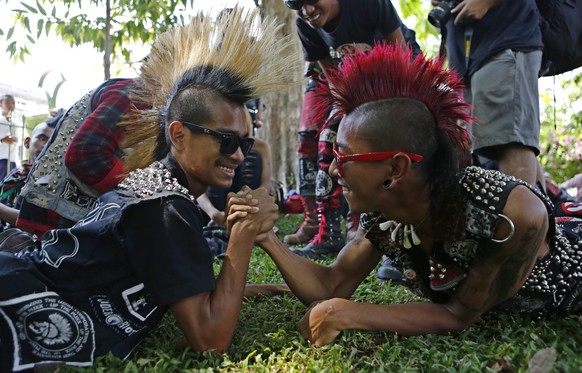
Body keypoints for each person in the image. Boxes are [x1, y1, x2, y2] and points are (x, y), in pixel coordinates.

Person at [0, 8, 298, 370]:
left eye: (244, 145)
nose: (237, 155)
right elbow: (210, 340)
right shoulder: (164, 207)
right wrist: (244, 234)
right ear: (178, 135)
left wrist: (260, 289)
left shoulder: (160, 189)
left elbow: (176, 287)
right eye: (225, 140)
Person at [253, 44, 582, 347]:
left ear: (396, 169)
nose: (332, 170)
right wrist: (266, 236)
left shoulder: (509, 212)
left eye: (344, 157)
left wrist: (343, 313)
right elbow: (332, 284)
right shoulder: (386, 219)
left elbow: (459, 315)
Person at [281, 0, 421, 287]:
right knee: (329, 140)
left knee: (396, 150)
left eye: (312, 0)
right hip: (353, 87)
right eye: (298, 5)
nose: (306, 10)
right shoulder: (305, 27)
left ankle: (400, 247)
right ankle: (329, 232)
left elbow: (402, 58)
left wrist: (387, 113)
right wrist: (347, 118)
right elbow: (334, 80)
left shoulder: (367, 4)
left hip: (400, 77)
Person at [430, 0, 544, 189]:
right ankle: (538, 214)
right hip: (468, 60)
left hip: (504, 37)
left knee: (511, 142)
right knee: (491, 145)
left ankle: (523, 218)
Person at [197, 100, 274, 258]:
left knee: (251, 156)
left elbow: (266, 185)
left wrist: (246, 211)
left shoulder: (261, 147)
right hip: (213, 213)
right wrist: (214, 213)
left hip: (246, 210)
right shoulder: (211, 144)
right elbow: (197, 188)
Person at [0, 118, 57, 230]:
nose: (47, 145)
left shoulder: (50, 180)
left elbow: (31, 224)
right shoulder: (16, 173)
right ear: (27, 142)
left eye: (54, 141)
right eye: (42, 138)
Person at [0, 94, 19, 181]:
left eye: (13, 103)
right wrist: (2, 140)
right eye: (7, 102)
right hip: (1, 160)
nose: (11, 105)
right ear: (1, 104)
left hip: (12, 160)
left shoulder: (16, 123)